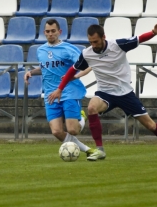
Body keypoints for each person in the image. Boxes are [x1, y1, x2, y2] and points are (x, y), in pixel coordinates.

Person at [48, 21, 157, 161]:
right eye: (91, 42)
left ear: (104, 37)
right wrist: (60, 89)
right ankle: (100, 150)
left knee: (151, 125)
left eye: (96, 41)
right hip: (105, 94)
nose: (94, 45)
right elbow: (72, 70)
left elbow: (139, 38)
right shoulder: (87, 53)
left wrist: (153, 32)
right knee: (92, 107)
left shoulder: (118, 45)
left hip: (125, 93)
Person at [24, 19, 103, 160]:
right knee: (56, 131)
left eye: (53, 31)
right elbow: (46, 68)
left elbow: (88, 64)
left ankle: (82, 116)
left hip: (69, 91)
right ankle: (88, 150)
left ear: (59, 32)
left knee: (73, 130)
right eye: (47, 31)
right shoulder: (41, 50)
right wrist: (31, 72)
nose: (50, 34)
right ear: (44, 33)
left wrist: (76, 76)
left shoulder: (68, 49)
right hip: (50, 94)